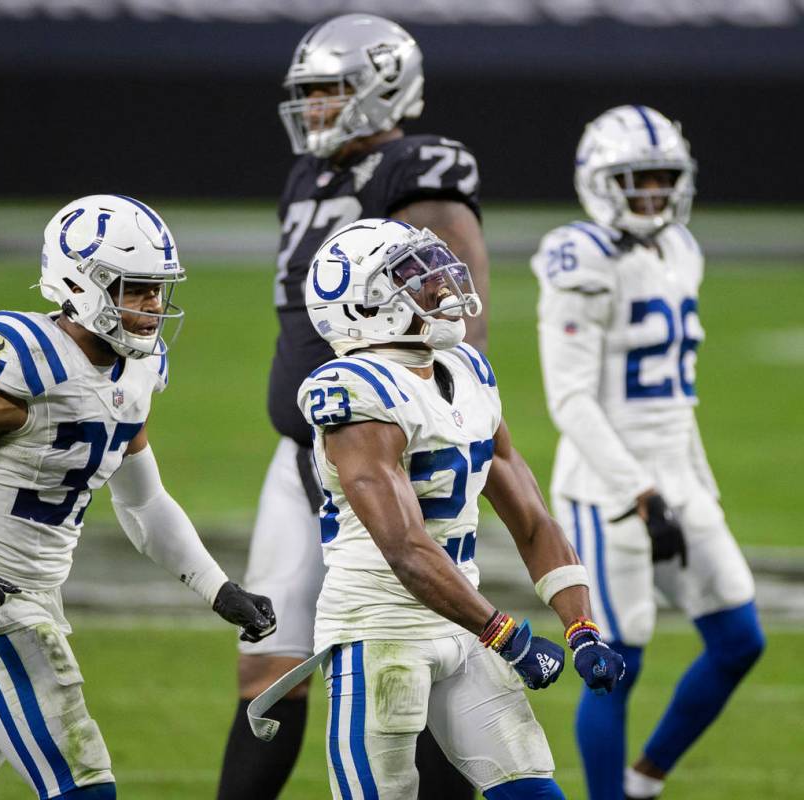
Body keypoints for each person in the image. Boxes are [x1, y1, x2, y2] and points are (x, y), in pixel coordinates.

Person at [0, 195, 275, 800]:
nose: (152, 307)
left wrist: (219, 587)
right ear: (81, 284)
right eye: (135, 289)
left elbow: (144, 502)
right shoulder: (22, 360)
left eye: (158, 290)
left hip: (36, 588)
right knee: (83, 785)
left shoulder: (137, 369)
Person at [217, 13, 490, 799]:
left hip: (387, 448)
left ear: (385, 86)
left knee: (429, 647)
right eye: (307, 94)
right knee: (269, 662)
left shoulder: (417, 170)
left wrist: (441, 425)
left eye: (332, 91)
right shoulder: (311, 175)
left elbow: (458, 315)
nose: (316, 109)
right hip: (300, 449)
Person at [262, 217, 624, 798]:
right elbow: (405, 548)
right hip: (378, 631)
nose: (437, 282)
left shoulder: (468, 371)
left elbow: (532, 520)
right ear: (362, 306)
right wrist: (507, 635)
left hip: (465, 625)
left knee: (532, 790)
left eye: (429, 265)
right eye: (408, 273)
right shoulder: (354, 389)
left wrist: (581, 627)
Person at [530, 106, 765, 800]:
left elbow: (678, 396)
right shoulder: (580, 259)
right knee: (615, 659)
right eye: (639, 181)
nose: (654, 195)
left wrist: (693, 482)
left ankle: (643, 781)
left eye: (665, 180)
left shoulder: (681, 249)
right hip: (608, 488)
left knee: (740, 639)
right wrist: (639, 491)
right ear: (601, 183)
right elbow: (570, 400)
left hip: (677, 474)